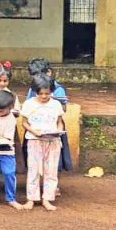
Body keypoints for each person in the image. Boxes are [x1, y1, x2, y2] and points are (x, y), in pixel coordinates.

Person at [22, 75, 65, 211]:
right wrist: (34, 131)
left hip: (53, 140)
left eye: (47, 93)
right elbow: (24, 123)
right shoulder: (29, 104)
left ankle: (47, 198)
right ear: (35, 91)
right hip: (34, 140)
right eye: (40, 93)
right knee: (33, 170)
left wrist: (59, 131)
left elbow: (59, 122)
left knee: (51, 170)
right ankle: (31, 199)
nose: (44, 96)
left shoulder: (56, 104)